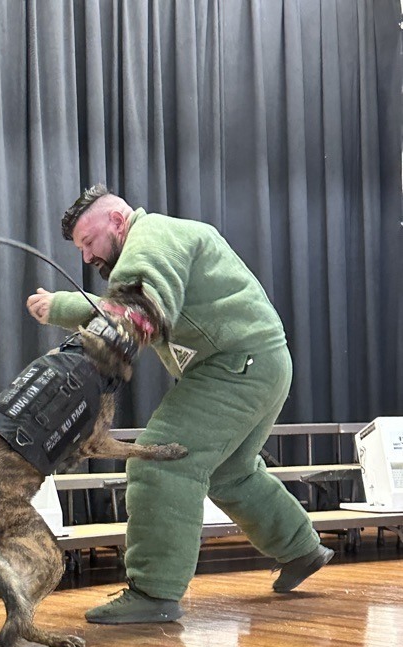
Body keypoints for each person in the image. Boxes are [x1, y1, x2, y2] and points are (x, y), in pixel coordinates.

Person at [27, 185, 333, 624]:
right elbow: (129, 301)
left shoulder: (152, 239)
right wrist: (61, 307)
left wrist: (71, 325)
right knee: (232, 473)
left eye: (88, 242)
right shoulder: (165, 238)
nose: (87, 257)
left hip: (231, 367)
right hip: (261, 363)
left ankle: (154, 592)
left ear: (117, 221)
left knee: (159, 460)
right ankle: (301, 549)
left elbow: (138, 304)